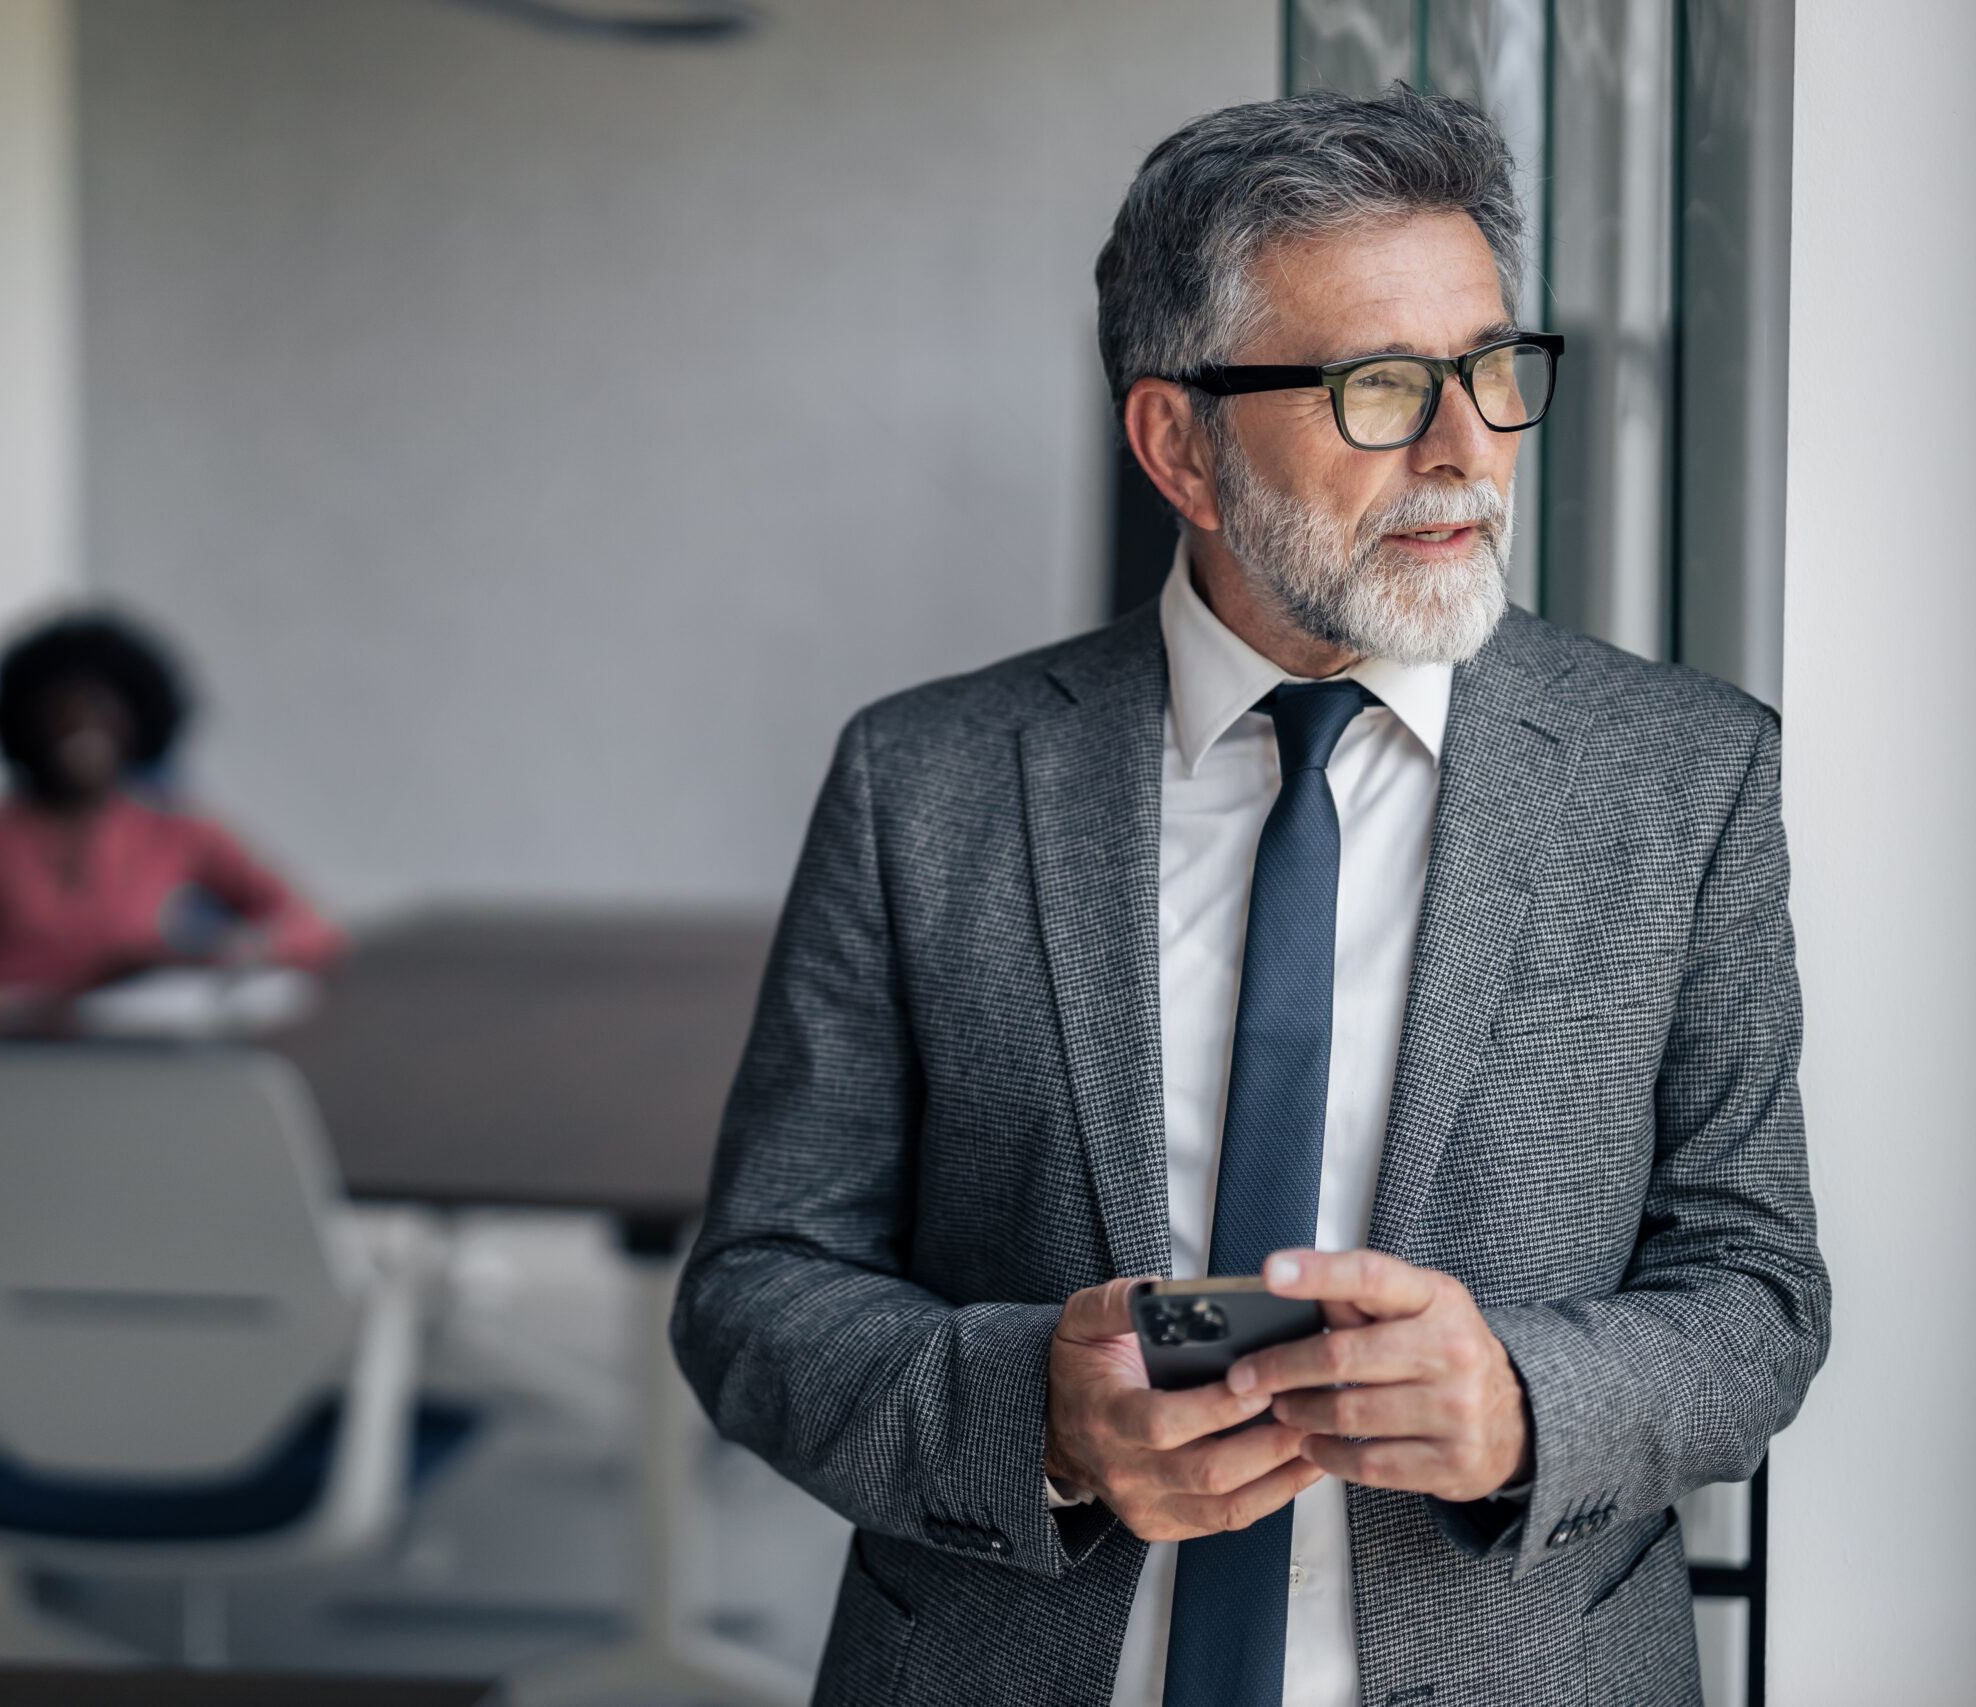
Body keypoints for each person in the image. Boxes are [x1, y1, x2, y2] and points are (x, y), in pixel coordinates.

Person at [672, 89, 1826, 1707]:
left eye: (1495, 369)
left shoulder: (1686, 775)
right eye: (1378, 388)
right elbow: (758, 1290)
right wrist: (1040, 1414)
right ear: (1178, 445)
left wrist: (1525, 1402)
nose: (1464, 448)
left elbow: (1755, 1288)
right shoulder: (923, 780)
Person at [0, 612, 345, 1030]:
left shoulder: (179, 832)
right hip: (4, 1057)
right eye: (61, 713)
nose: (82, 729)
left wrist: (241, 950)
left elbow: (312, 927)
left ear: (137, 722)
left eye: (101, 711)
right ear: (23, 724)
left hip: (131, 1053)